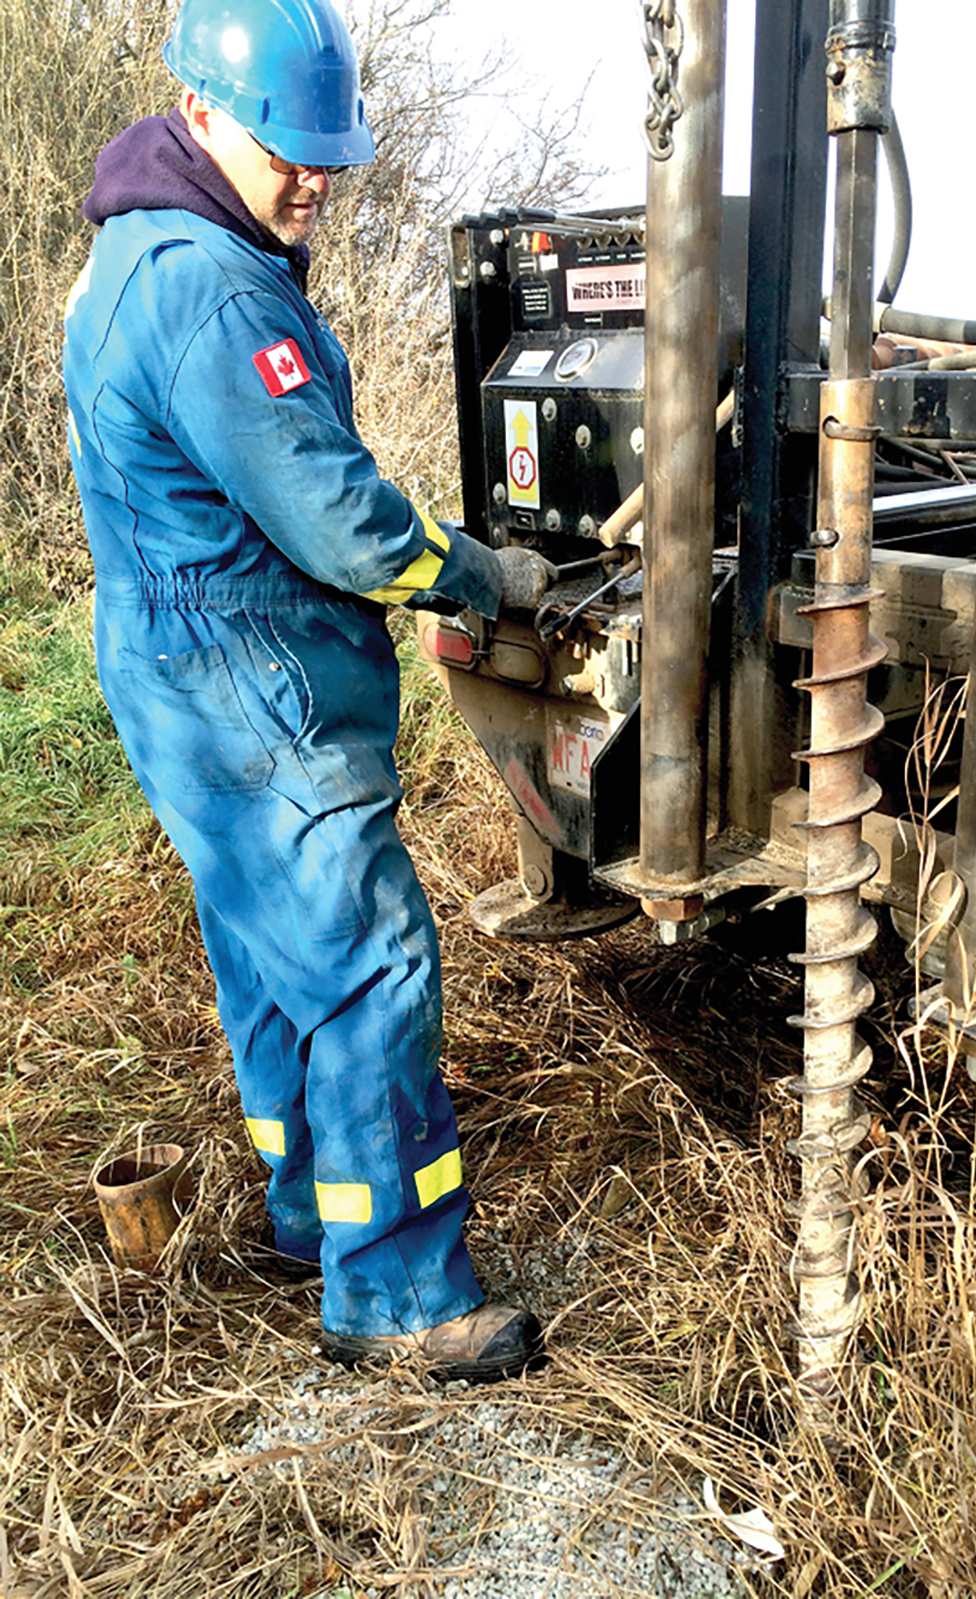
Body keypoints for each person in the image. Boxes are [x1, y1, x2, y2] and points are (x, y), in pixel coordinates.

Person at [62, 0, 552, 1380]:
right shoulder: (213, 289)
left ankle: (307, 1209)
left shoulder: (135, 255)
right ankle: (395, 1293)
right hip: (250, 678)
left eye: (331, 150)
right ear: (208, 116)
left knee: (271, 952)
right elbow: (338, 519)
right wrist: (477, 575)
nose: (317, 177)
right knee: (371, 960)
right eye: (294, 148)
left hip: (175, 666)